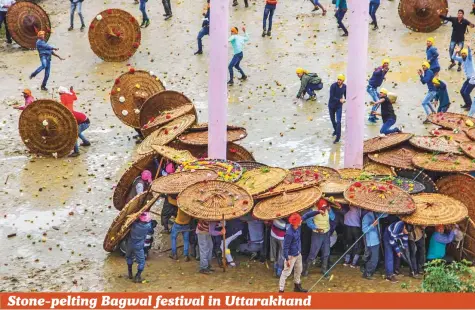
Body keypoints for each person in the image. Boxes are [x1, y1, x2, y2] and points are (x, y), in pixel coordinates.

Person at [279, 210, 320, 293]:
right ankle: (281, 290)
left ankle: (297, 287)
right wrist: (287, 259)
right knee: (286, 273)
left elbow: (307, 215)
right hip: (291, 256)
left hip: (298, 253)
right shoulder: (289, 233)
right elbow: (285, 248)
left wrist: (318, 211)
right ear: (295, 223)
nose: (301, 221)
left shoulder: (297, 226)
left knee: (299, 270)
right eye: (299, 221)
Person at [302, 199, 334, 277]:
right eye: (322, 208)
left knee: (326, 253)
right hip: (317, 234)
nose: (323, 210)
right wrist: (316, 228)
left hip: (326, 233)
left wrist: (329, 211)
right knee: (313, 253)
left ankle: (324, 270)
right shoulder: (313, 210)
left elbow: (333, 218)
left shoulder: (328, 209)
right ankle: (306, 270)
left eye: (325, 208)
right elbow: (309, 222)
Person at [126, 211, 153, 283]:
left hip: (130, 244)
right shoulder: (147, 226)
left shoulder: (134, 224)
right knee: (141, 262)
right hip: (139, 246)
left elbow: (129, 221)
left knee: (129, 257)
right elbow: (151, 226)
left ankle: (130, 273)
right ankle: (137, 276)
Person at [361, 211, 386, 280]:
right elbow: (364, 230)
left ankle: (369, 271)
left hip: (377, 240)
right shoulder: (367, 216)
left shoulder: (377, 214)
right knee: (374, 259)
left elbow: (385, 215)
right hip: (372, 241)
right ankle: (367, 273)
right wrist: (373, 225)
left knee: (374, 258)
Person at [453, 45, 475, 111]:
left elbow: (470, 54)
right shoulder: (461, 59)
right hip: (468, 79)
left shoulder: (469, 59)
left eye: (464, 53)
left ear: (466, 54)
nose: (463, 54)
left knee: (466, 93)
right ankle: (467, 104)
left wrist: (468, 48)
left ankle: (470, 105)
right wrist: (456, 52)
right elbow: (453, 57)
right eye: (462, 53)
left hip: (473, 79)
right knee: (462, 91)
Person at [367, 59, 390, 123]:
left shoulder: (386, 69)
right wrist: (381, 70)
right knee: (377, 102)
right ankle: (371, 117)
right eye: (385, 63)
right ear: (383, 64)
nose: (386, 64)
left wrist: (383, 77)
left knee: (379, 101)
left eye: (387, 63)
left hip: (375, 88)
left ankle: (373, 115)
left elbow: (382, 74)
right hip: (371, 88)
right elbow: (375, 73)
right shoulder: (380, 68)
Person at [328, 74, 346, 144]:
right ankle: (336, 130)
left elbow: (346, 96)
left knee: (338, 121)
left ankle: (338, 137)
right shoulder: (333, 86)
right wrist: (339, 100)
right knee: (333, 121)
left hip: (339, 106)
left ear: (343, 81)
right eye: (338, 79)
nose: (338, 81)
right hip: (331, 106)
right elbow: (332, 97)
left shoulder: (345, 87)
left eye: (340, 80)